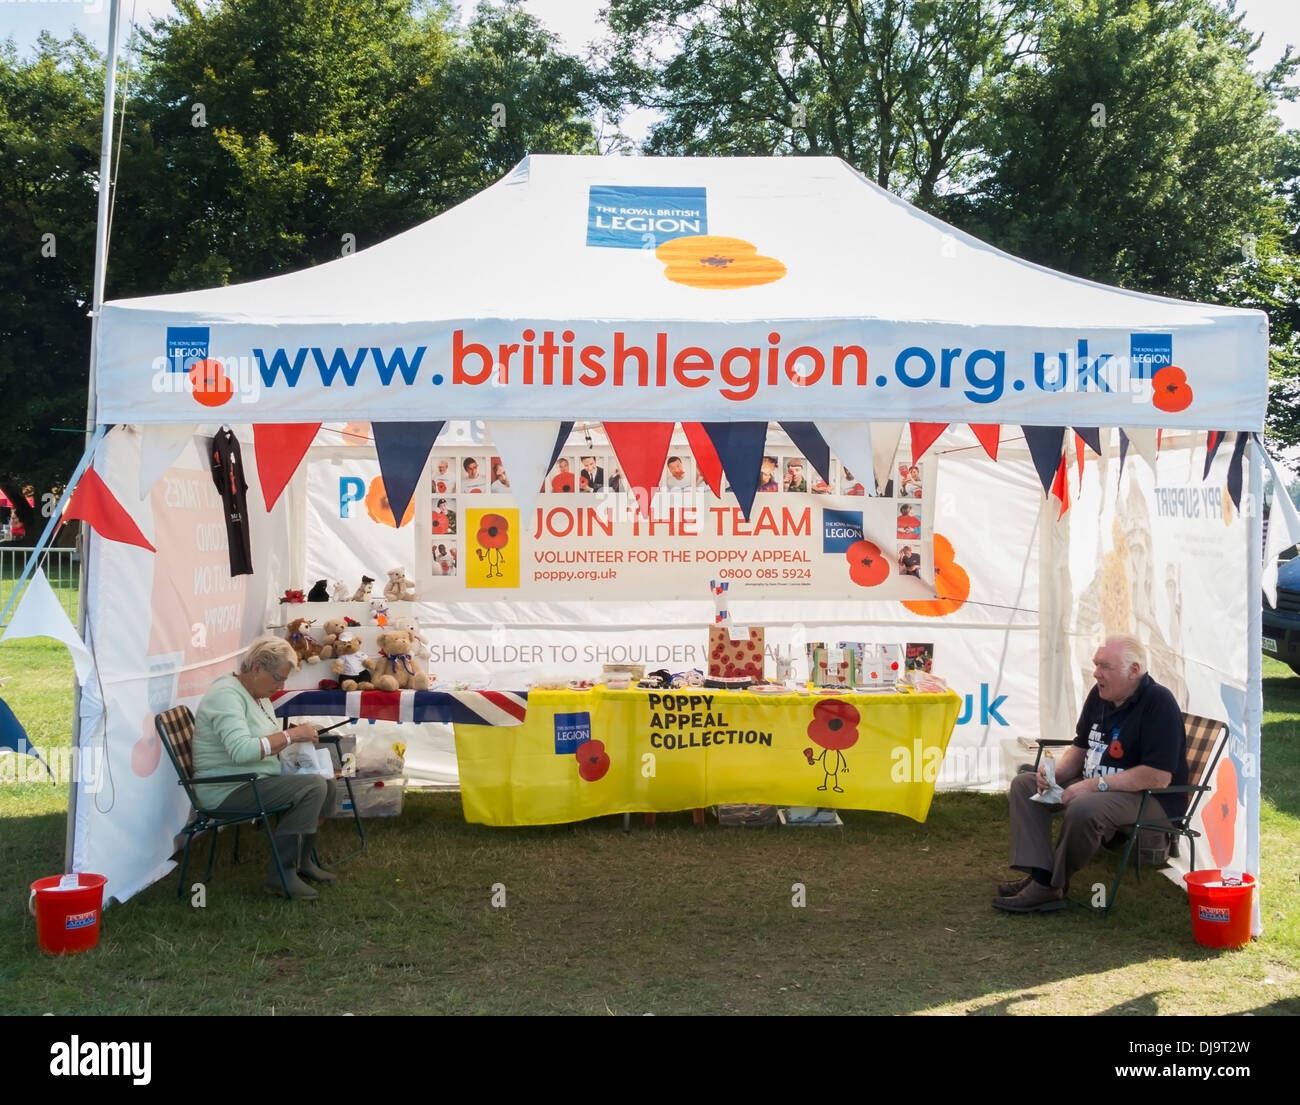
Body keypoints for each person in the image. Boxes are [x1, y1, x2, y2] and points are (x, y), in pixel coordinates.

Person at [994, 635, 1189, 913]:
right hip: (1100, 785)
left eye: (1105, 666)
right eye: (1096, 665)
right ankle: (1039, 876)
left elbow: (1158, 776)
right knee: (1025, 785)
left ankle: (1051, 886)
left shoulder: (1159, 702)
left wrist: (1092, 786)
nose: (1096, 673)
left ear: (1134, 670)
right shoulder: (1100, 695)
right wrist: (1055, 775)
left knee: (1085, 807)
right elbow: (1081, 746)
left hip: (1149, 798)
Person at [191, 636, 338, 901]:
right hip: (226, 789)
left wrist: (295, 735)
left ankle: (303, 861)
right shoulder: (226, 695)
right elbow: (241, 751)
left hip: (251, 779)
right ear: (256, 668)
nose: (281, 685)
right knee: (312, 786)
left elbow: (264, 739)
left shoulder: (256, 694)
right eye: (278, 678)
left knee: (327, 784)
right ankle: (282, 876)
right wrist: (291, 737)